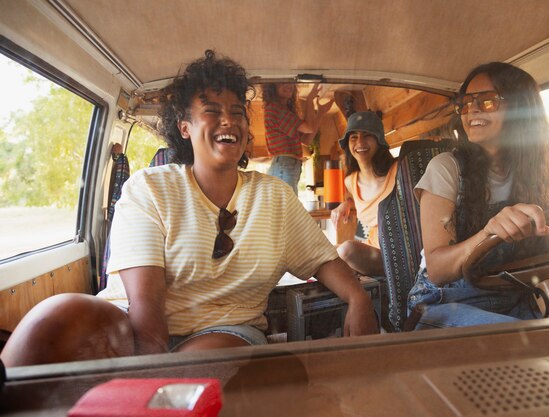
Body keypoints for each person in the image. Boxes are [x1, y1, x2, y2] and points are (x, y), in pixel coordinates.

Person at [0, 50, 377, 367]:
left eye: (237, 112)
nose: (228, 119)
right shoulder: (148, 188)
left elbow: (322, 260)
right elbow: (145, 310)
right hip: (128, 324)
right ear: (184, 127)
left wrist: (358, 298)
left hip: (224, 333)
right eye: (211, 110)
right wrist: (147, 377)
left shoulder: (275, 197)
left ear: (246, 131)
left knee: (203, 366)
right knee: (51, 319)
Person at [406, 62, 549, 329]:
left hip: (516, 296)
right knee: (525, 342)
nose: (471, 109)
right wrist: (488, 232)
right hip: (444, 301)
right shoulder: (446, 168)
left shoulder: (544, 172)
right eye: (465, 103)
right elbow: (438, 270)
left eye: (487, 101)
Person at [330, 111, 397, 276]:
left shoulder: (398, 170)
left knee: (346, 249)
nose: (360, 142)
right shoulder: (350, 181)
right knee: (324, 250)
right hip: (371, 248)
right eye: (354, 137)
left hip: (395, 256)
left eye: (367, 135)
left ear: (379, 140)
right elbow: (358, 200)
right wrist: (347, 204)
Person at [263, 83, 334, 193]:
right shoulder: (275, 109)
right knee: (287, 207)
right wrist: (309, 99)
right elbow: (309, 128)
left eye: (291, 82)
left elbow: (306, 140)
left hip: (286, 164)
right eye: (283, 82)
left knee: (286, 206)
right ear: (272, 87)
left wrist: (320, 113)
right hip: (284, 164)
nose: (289, 85)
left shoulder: (283, 111)